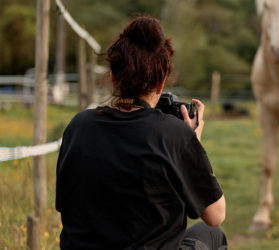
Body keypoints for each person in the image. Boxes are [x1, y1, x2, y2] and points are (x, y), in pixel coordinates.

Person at [55, 16, 227, 250]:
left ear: (113, 77)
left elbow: (67, 205)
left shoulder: (77, 126)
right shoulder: (174, 135)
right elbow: (216, 215)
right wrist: (193, 145)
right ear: (161, 81)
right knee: (211, 234)